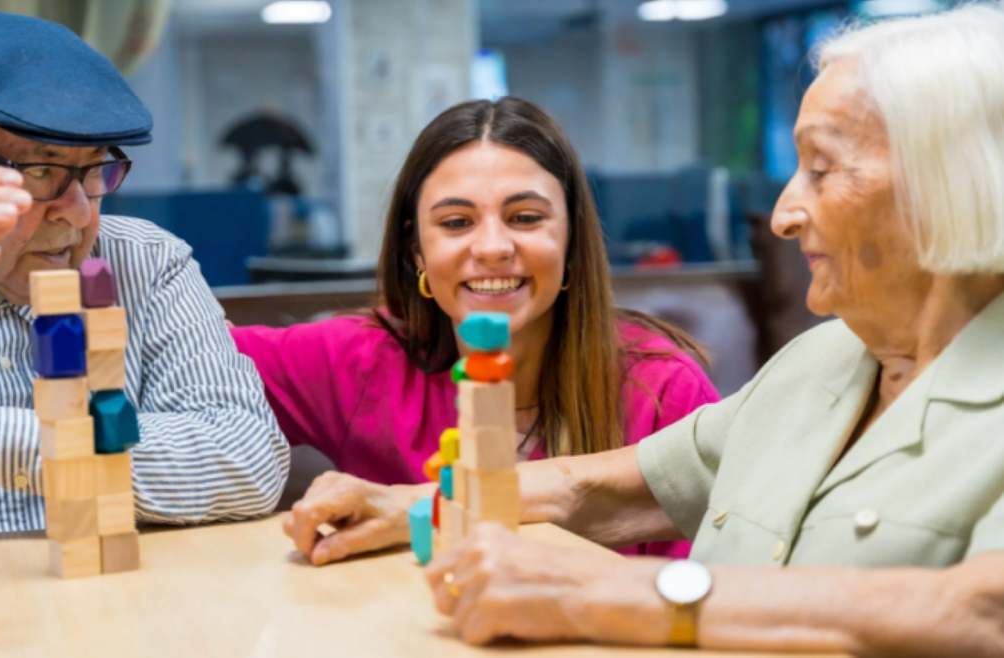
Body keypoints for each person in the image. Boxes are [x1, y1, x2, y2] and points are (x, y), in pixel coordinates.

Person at [420, 5, 1004, 654]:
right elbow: (602, 490)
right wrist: (408, 508)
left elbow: (981, 612)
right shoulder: (823, 358)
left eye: (822, 168)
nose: (783, 215)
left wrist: (609, 594)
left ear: (951, 181)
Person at [0, 8, 289, 541]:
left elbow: (246, 458)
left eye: (95, 169)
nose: (77, 213)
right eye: (40, 170)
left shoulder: (146, 266)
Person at [244, 97, 720, 566]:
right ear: (416, 252)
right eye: (456, 222)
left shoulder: (665, 392)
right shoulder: (359, 359)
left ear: (572, 239)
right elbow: (193, 362)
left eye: (525, 218)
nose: (493, 247)